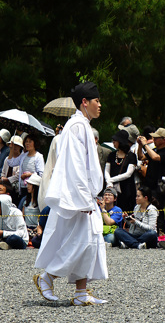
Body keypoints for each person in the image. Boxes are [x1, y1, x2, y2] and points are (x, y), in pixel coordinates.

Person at [33, 81, 108, 306]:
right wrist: (85, 198)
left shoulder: (80, 124)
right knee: (81, 242)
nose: (100, 105)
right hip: (78, 197)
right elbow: (75, 166)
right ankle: (48, 277)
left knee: (90, 242)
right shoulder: (76, 126)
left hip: (84, 196)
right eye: (97, 101)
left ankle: (81, 292)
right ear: (84, 102)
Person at [105, 129, 138, 212]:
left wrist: (111, 180)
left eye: (115, 140)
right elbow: (106, 170)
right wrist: (109, 182)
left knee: (126, 210)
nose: (113, 142)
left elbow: (128, 174)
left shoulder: (131, 156)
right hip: (112, 188)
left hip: (126, 189)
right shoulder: (112, 155)